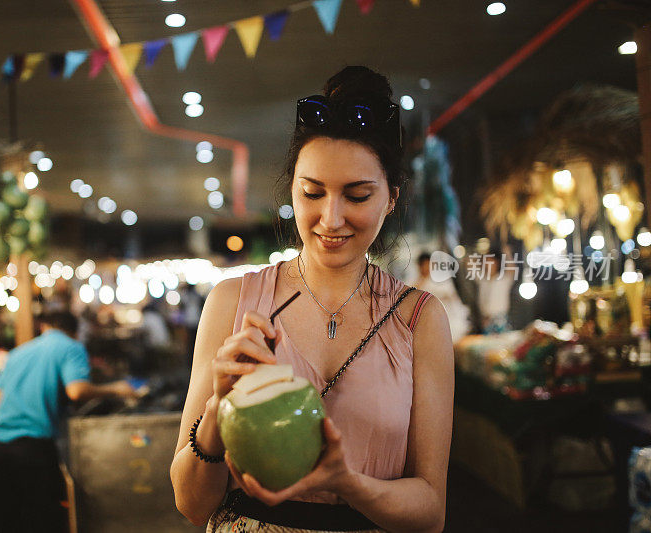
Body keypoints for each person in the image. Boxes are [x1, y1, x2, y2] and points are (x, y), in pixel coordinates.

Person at [170, 66, 454, 532]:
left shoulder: (419, 319)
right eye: (313, 193)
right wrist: (217, 413)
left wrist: (348, 483)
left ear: (391, 199)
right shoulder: (233, 302)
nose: (331, 217)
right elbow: (190, 502)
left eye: (358, 195)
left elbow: (430, 511)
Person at [0, 310, 139, 533]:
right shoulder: (70, 347)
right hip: (33, 447)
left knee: (6, 521)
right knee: (42, 520)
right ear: (74, 332)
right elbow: (76, 390)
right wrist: (116, 389)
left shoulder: (18, 353)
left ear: (44, 327)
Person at [409, 252, 470, 341]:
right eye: (423, 265)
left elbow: (450, 294)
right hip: (427, 323)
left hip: (448, 319)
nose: (426, 268)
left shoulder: (440, 279)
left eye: (428, 264)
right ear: (419, 266)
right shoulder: (416, 282)